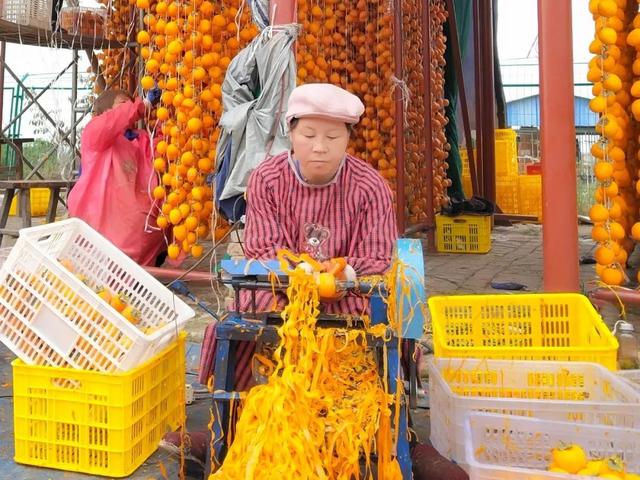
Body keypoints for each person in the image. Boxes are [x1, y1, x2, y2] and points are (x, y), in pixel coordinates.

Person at [162, 83, 399, 474]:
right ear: (290, 133)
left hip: (348, 296)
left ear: (348, 139)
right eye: (308, 135)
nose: (319, 147)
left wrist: (341, 271)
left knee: (378, 334)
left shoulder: (370, 186)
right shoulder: (268, 179)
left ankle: (358, 433)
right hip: (278, 292)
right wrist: (300, 272)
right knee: (236, 325)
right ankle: (230, 425)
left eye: (332, 137)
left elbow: (376, 257)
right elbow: (261, 249)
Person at [68, 88, 167, 267]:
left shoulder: (142, 140)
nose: (129, 108)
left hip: (140, 237)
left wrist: (167, 120)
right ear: (103, 113)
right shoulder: (95, 132)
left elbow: (164, 151)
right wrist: (141, 105)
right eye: (123, 104)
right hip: (102, 232)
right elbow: (113, 121)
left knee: (130, 285)